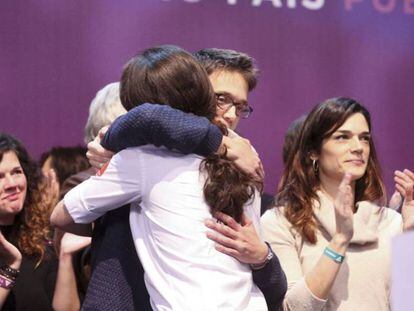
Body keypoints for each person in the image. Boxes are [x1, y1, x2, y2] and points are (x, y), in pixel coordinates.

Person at [51, 45, 271, 310]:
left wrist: (263, 258)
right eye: (221, 98)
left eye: (241, 106)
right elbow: (149, 118)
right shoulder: (148, 151)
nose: (231, 115)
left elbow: (264, 271)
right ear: (194, 88)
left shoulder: (244, 158)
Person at [259, 97, 414, 310]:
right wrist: (340, 239)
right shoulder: (281, 222)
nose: (358, 147)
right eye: (343, 137)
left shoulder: (390, 221)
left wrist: (409, 238)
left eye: (365, 138)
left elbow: (407, 304)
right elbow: (293, 307)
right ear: (313, 151)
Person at [0, 133, 58, 310]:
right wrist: (10, 269)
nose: (12, 184)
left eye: (16, 172)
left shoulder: (43, 244)